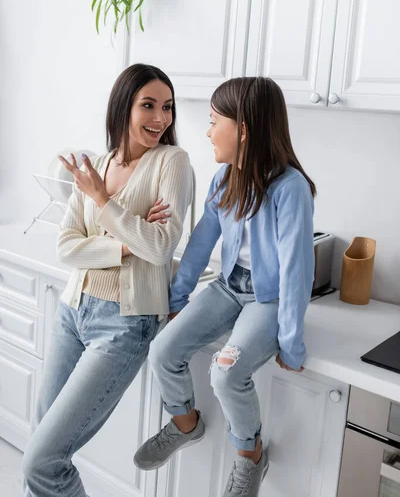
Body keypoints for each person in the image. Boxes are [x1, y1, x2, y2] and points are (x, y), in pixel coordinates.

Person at [134, 76, 316, 497]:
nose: (208, 130)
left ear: (245, 128)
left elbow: (295, 272)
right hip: (228, 287)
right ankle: (186, 423)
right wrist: (176, 299)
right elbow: (201, 242)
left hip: (266, 300)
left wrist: (291, 343)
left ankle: (250, 455)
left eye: (215, 120)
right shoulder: (223, 179)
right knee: (162, 349)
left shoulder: (290, 190)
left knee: (226, 373)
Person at [22, 63, 193, 497]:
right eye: (148, 105)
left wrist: (102, 201)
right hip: (73, 310)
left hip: (124, 325)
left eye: (167, 107)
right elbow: (65, 246)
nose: (160, 118)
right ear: (123, 106)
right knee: (41, 448)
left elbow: (160, 247)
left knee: (42, 462)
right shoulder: (96, 163)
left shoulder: (171, 162)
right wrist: (125, 244)